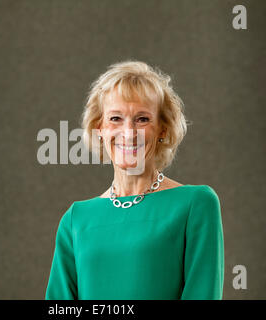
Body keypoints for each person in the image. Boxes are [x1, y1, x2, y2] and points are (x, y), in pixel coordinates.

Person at [45, 60, 224, 299]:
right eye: (116, 118)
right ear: (100, 128)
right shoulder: (75, 219)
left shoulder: (196, 204)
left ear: (162, 129)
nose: (128, 133)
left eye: (142, 119)